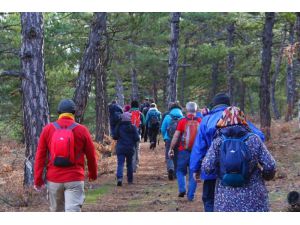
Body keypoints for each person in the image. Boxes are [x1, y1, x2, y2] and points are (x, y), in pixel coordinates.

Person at [190, 92, 265, 212]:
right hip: (238, 169)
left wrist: (195, 169)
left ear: (214, 105)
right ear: (229, 104)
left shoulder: (206, 120)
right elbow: (260, 136)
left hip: (212, 170)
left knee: (209, 200)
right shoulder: (238, 118)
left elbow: (199, 148)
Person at [202, 106, 276, 211]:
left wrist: (221, 169)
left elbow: (207, 167)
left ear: (223, 120)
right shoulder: (254, 139)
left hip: (225, 200)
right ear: (243, 119)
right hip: (254, 199)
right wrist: (266, 176)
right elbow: (270, 165)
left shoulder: (217, 142)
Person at [34, 99, 98, 212]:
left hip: (54, 179)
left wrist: (38, 180)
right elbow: (91, 155)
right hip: (74, 178)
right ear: (74, 113)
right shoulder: (82, 130)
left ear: (59, 112)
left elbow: (40, 157)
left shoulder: (48, 129)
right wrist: (93, 174)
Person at [169, 102, 201, 200]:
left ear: (186, 110)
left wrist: (171, 148)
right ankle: (191, 196)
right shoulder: (200, 121)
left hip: (183, 150)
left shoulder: (182, 121)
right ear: (196, 110)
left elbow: (176, 136)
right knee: (194, 173)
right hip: (196, 152)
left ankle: (182, 189)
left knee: (180, 171)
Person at [113, 111, 140, 186]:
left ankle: (119, 178)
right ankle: (130, 180)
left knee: (120, 163)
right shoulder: (133, 127)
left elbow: (114, 136)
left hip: (120, 148)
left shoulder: (119, 126)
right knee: (129, 164)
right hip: (130, 148)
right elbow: (137, 138)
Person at [161, 102, 183, 180]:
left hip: (169, 139)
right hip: (179, 139)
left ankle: (170, 168)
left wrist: (165, 137)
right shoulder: (182, 118)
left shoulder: (167, 117)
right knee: (177, 156)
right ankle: (175, 174)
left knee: (169, 155)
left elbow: (163, 129)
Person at [130, 100, 144, 173]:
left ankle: (132, 166)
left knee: (132, 150)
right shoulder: (140, 114)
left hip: (130, 135)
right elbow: (144, 124)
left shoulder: (128, 113)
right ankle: (136, 164)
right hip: (138, 134)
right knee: (137, 149)